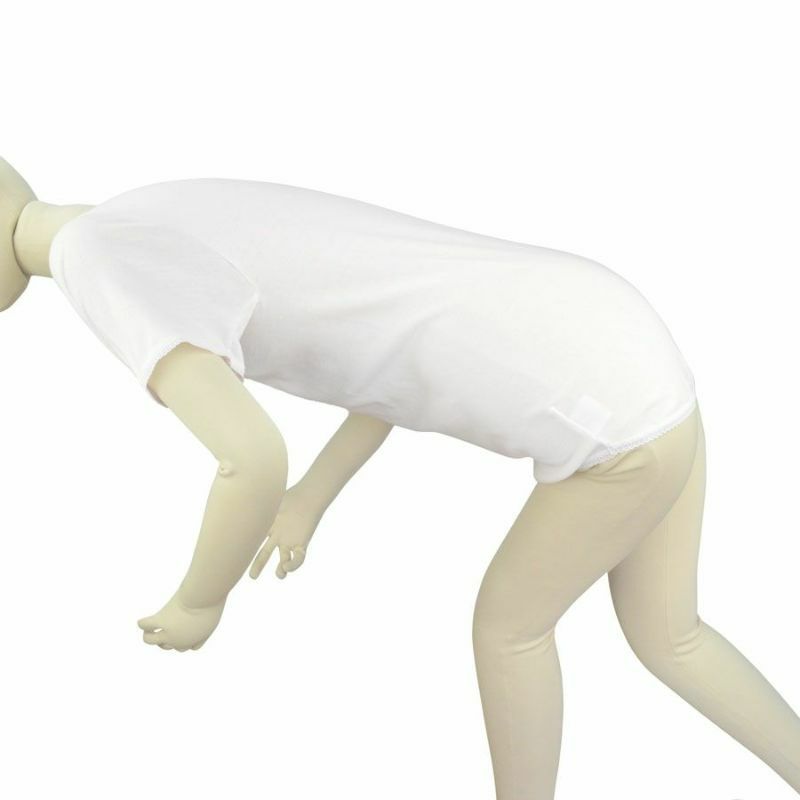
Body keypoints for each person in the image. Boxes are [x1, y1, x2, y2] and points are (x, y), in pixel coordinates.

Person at [2, 155, 798, 797]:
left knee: (509, 632)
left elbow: (251, 458)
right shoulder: (153, 204)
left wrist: (198, 601)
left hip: (611, 426)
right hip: (623, 338)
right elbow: (379, 348)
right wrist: (311, 501)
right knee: (673, 636)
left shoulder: (97, 258)